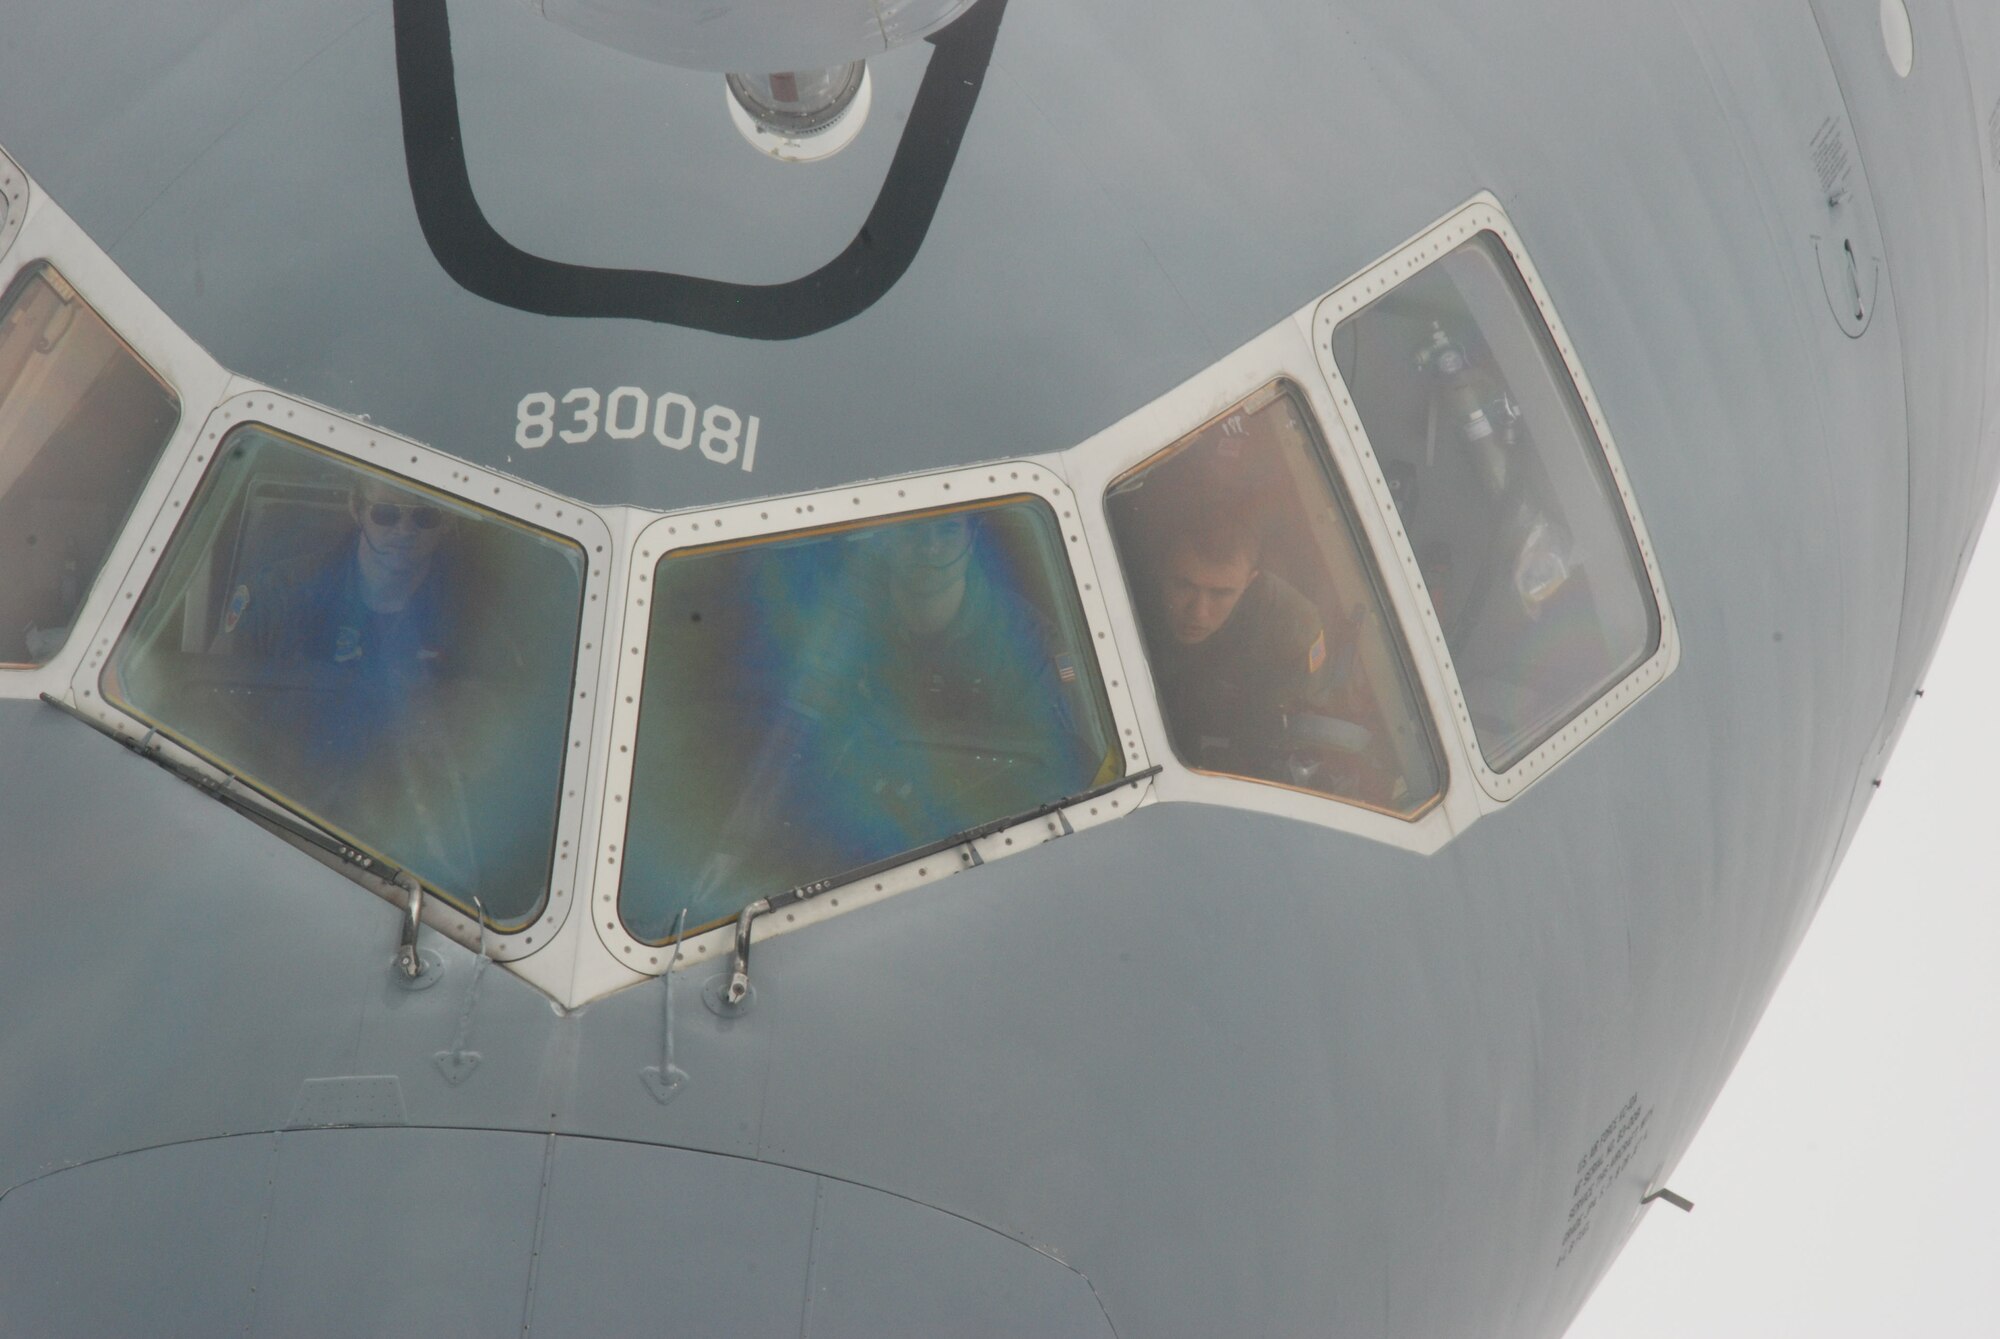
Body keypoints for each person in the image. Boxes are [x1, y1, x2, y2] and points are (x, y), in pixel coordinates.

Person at [1144, 509, 1343, 782]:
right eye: (1183, 586)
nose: (1199, 612)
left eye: (1221, 593)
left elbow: (1292, 735)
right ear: (1160, 570)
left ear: (1250, 582)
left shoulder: (1291, 626)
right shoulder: (1122, 590)